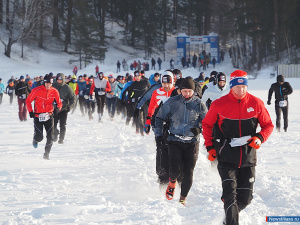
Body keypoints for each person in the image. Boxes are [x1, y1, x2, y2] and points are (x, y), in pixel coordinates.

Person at [202, 70, 274, 225]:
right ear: (231, 87)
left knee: (245, 199)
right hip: (226, 155)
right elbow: (207, 125)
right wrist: (210, 147)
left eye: (243, 87)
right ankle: (231, 220)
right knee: (229, 195)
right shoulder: (219, 104)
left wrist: (260, 138)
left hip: (248, 156)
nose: (240, 90)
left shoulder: (256, 103)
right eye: (237, 87)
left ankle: (228, 218)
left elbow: (268, 125)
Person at [155, 76, 207, 206]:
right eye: (184, 91)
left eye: (190, 91)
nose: (187, 94)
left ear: (194, 91)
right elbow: (159, 118)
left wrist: (199, 129)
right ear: (180, 90)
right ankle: (172, 181)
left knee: (189, 171)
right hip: (174, 139)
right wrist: (159, 135)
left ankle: (182, 198)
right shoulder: (172, 102)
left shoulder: (199, 104)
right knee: (175, 169)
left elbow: (207, 121)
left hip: (192, 142)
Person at [144, 71, 175, 185]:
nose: (166, 86)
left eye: (168, 83)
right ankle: (162, 174)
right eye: (164, 83)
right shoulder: (157, 92)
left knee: (173, 148)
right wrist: (147, 122)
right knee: (160, 146)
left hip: (173, 125)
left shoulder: (176, 92)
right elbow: (151, 107)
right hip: (159, 124)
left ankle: (174, 174)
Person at [26, 74, 62, 160]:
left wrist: (57, 109)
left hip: (49, 116)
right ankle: (35, 138)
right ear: (44, 83)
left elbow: (59, 103)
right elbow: (28, 100)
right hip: (38, 116)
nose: (48, 85)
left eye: (49, 83)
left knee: (50, 137)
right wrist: (30, 111)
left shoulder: (55, 91)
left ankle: (46, 154)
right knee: (40, 137)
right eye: (46, 83)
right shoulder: (36, 90)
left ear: (52, 83)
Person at [52, 73, 76, 144]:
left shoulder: (67, 88)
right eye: (58, 79)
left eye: (61, 80)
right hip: (54, 109)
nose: (59, 81)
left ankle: (61, 139)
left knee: (62, 125)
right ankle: (55, 134)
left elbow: (73, 99)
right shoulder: (52, 87)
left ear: (63, 80)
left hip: (64, 109)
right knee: (53, 124)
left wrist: (69, 107)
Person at [126, 71, 151, 135]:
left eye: (138, 76)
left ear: (141, 76)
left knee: (146, 115)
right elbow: (129, 94)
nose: (137, 78)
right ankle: (141, 130)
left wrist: (150, 99)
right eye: (136, 77)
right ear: (134, 77)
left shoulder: (145, 82)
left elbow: (151, 90)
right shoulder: (133, 84)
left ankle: (147, 129)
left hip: (145, 102)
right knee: (139, 116)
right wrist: (130, 100)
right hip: (137, 102)